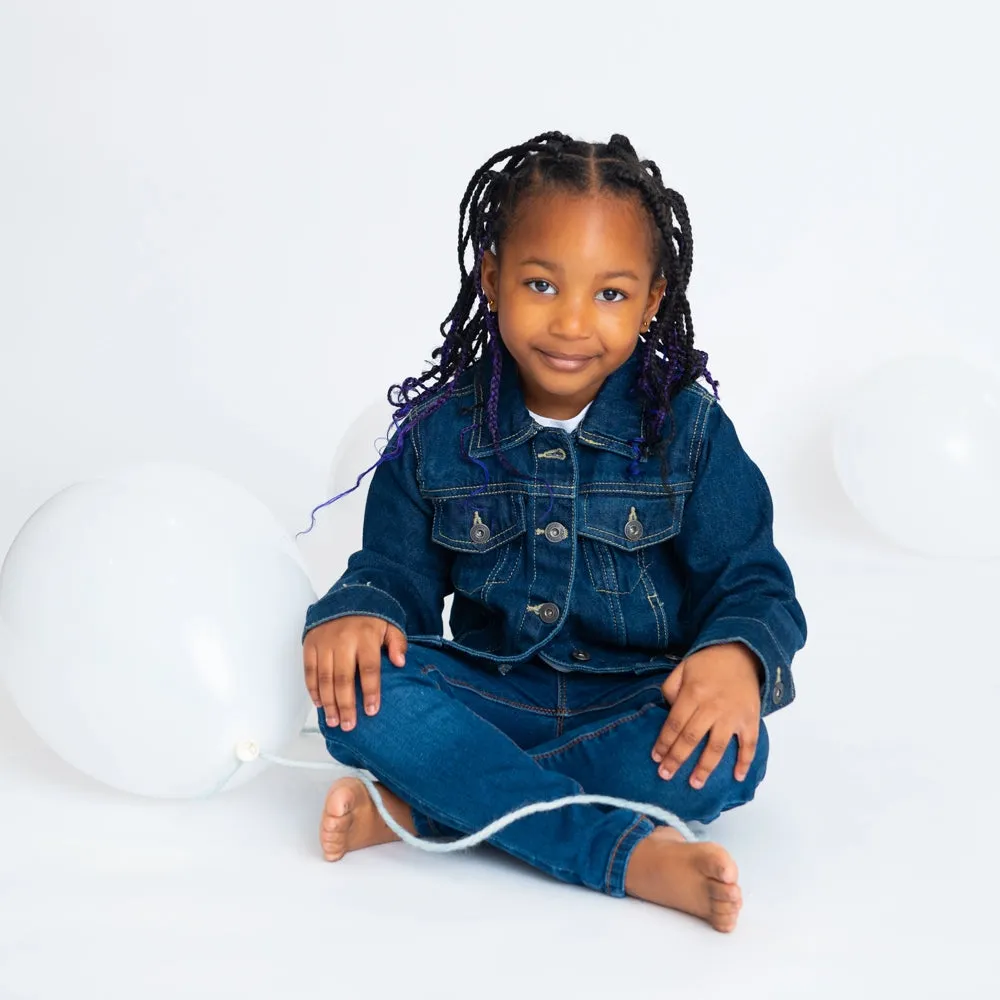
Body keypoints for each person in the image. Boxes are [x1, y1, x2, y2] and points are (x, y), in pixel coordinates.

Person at [300, 131, 807, 933]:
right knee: (355, 702)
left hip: (635, 702)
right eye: (542, 283)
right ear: (493, 277)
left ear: (651, 300)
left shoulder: (690, 433)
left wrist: (735, 658)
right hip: (493, 692)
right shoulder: (437, 437)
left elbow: (752, 582)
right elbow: (393, 574)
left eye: (609, 295)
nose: (572, 323)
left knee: (731, 758)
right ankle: (624, 855)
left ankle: (433, 808)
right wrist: (361, 610)